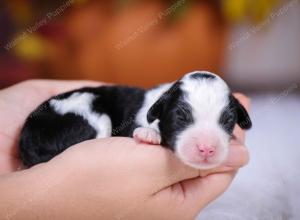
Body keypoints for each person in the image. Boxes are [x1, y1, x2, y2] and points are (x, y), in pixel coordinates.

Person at [0, 80, 250, 220]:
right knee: (101, 122)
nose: (207, 145)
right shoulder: (145, 113)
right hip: (54, 125)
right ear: (160, 112)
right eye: (184, 119)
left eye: (223, 122)